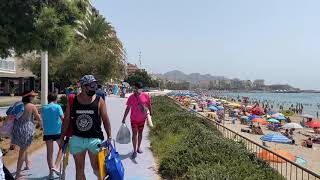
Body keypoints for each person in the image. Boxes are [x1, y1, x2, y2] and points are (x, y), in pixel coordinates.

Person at [60, 75, 112, 180]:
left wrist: (109, 136)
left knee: (97, 168)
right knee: (79, 169)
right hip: (77, 139)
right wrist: (62, 137)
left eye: (95, 85)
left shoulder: (99, 100)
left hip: (94, 139)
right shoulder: (73, 100)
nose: (94, 87)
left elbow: (105, 119)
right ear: (84, 87)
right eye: (92, 85)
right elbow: (66, 119)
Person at [11, 90, 41, 179]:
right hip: (26, 130)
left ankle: (27, 164)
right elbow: (38, 117)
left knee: (24, 148)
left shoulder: (17, 104)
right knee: (22, 151)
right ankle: (17, 174)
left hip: (16, 129)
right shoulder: (31, 106)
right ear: (29, 97)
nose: (34, 97)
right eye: (33, 96)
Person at [122, 82, 152, 159]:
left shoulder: (145, 96)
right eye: (137, 88)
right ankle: (135, 150)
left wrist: (151, 114)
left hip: (142, 119)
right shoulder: (131, 97)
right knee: (134, 133)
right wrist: (124, 118)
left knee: (140, 133)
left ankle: (138, 147)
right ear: (134, 88)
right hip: (134, 119)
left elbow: (149, 105)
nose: (138, 89)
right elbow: (128, 108)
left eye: (140, 88)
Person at [41, 93, 64, 179]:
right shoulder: (57, 107)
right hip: (57, 131)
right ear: (56, 99)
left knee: (49, 153)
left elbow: (42, 119)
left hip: (47, 132)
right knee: (62, 148)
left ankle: (51, 173)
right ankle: (56, 166)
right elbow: (62, 118)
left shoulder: (43, 107)